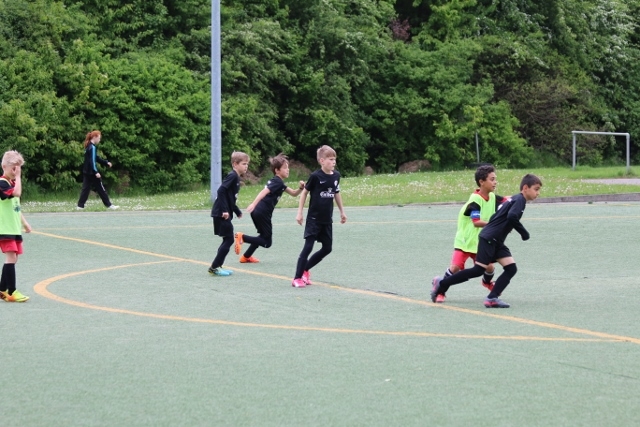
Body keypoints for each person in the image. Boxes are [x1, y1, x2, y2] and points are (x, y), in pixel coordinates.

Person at [431, 173, 542, 308]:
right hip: (490, 238)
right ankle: (442, 284)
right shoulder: (520, 200)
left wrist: (500, 227)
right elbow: (512, 216)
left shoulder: (514, 199)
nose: (538, 193)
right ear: (525, 188)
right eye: (536, 189)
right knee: (478, 270)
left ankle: (492, 297)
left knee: (511, 268)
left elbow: (498, 215)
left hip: (495, 239)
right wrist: (523, 233)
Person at [436, 164, 509, 303]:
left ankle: (487, 283)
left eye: (495, 179)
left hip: (479, 242)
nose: (495, 182)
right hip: (465, 241)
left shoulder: (492, 197)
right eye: (492, 179)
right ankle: (440, 290)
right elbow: (476, 222)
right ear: (482, 182)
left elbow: (507, 200)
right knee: (455, 268)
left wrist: (521, 197)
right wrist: (494, 225)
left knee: (489, 267)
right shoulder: (474, 201)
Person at [291, 145, 347, 288]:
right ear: (322, 161)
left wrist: (342, 211)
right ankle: (297, 278)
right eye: (330, 159)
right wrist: (300, 212)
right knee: (308, 247)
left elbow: (336, 193)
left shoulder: (336, 176)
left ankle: (305, 270)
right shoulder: (315, 176)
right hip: (314, 219)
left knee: (327, 248)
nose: (333, 162)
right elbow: (304, 193)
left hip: (327, 220)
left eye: (334, 159)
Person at [234, 154, 305, 263]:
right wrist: (253, 203)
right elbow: (264, 191)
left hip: (258, 211)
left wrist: (300, 188)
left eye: (288, 168)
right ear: (277, 170)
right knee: (267, 242)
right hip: (262, 212)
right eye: (285, 168)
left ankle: (246, 257)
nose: (288, 170)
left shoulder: (279, 183)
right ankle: (242, 237)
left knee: (262, 236)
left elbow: (294, 193)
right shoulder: (277, 182)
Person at [209, 151, 250, 276]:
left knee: (227, 239)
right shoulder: (233, 176)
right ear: (235, 164)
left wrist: (236, 210)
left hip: (221, 212)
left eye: (247, 164)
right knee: (229, 239)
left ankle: (218, 266)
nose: (246, 166)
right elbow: (221, 191)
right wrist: (224, 210)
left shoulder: (236, 177)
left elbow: (229, 197)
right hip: (220, 213)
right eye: (244, 164)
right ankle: (214, 267)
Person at [0, 151, 32, 302]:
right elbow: (17, 194)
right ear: (4, 167)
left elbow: (16, 207)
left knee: (14, 258)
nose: (16, 171)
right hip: (4, 228)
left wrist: (24, 223)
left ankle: (2, 290)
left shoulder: (12, 183)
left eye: (18, 168)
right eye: (13, 168)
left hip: (14, 228)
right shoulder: (2, 183)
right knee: (11, 257)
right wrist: (18, 177)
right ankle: (12, 291)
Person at [77, 130, 119, 210]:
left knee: (85, 189)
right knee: (101, 188)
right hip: (92, 173)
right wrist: (95, 172)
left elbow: (96, 158)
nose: (99, 140)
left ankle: (80, 206)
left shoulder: (88, 146)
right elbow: (92, 161)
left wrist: (106, 162)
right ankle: (109, 205)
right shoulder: (92, 147)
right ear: (94, 137)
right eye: (99, 138)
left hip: (86, 172)